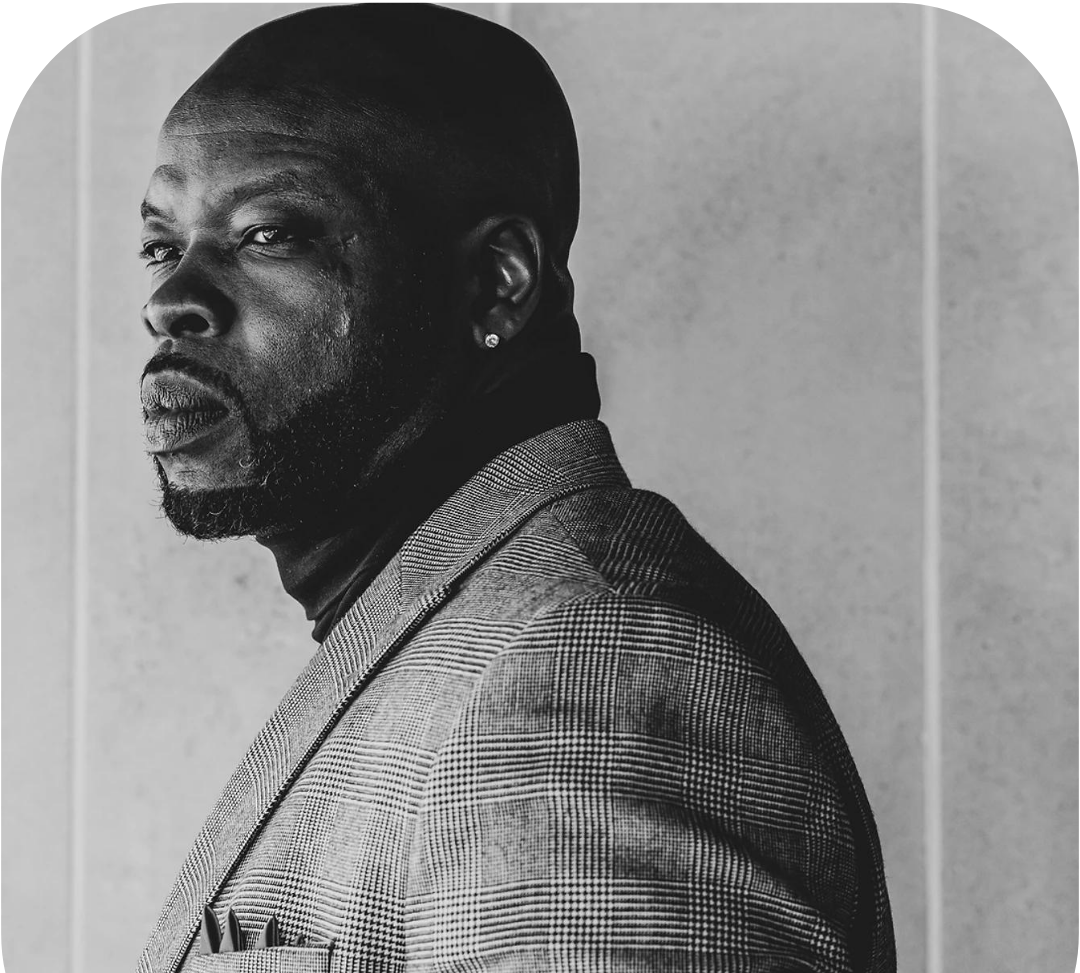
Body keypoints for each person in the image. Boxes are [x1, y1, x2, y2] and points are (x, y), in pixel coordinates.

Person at [135, 3, 895, 971]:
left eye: (267, 233)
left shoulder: (593, 663)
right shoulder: (475, 637)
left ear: (497, 282)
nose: (170, 299)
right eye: (160, 245)